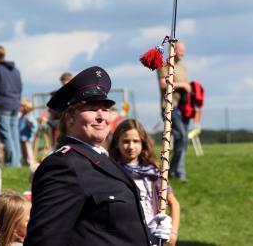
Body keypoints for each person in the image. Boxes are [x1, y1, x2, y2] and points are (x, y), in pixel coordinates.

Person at [24, 66, 172, 246]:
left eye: (106, 109)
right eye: (92, 109)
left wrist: (147, 234)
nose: (101, 116)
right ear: (70, 117)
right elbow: (45, 239)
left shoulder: (105, 161)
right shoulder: (64, 166)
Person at [109, 119, 180, 246]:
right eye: (125, 141)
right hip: (123, 236)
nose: (131, 146)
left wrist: (172, 234)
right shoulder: (111, 171)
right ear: (116, 143)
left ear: (143, 144)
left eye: (136, 141)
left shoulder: (154, 172)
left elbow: (174, 203)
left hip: (150, 234)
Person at [157, 41, 191, 182]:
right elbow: (164, 84)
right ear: (173, 50)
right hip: (169, 107)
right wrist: (183, 85)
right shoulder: (164, 65)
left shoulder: (183, 67)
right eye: (180, 50)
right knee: (182, 136)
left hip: (183, 108)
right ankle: (173, 170)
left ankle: (178, 172)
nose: (183, 53)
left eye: (184, 50)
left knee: (182, 140)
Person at [0, 45, 22, 167]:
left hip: (3, 104)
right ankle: (17, 162)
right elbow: (20, 88)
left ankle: (11, 163)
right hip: (15, 103)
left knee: (6, 135)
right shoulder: (16, 70)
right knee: (14, 134)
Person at [19, 98, 38, 170]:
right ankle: (25, 162)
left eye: (22, 106)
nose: (20, 108)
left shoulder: (29, 117)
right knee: (23, 150)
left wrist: (31, 124)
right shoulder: (22, 116)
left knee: (28, 150)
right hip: (22, 137)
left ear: (26, 108)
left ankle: (31, 162)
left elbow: (35, 126)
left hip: (27, 137)